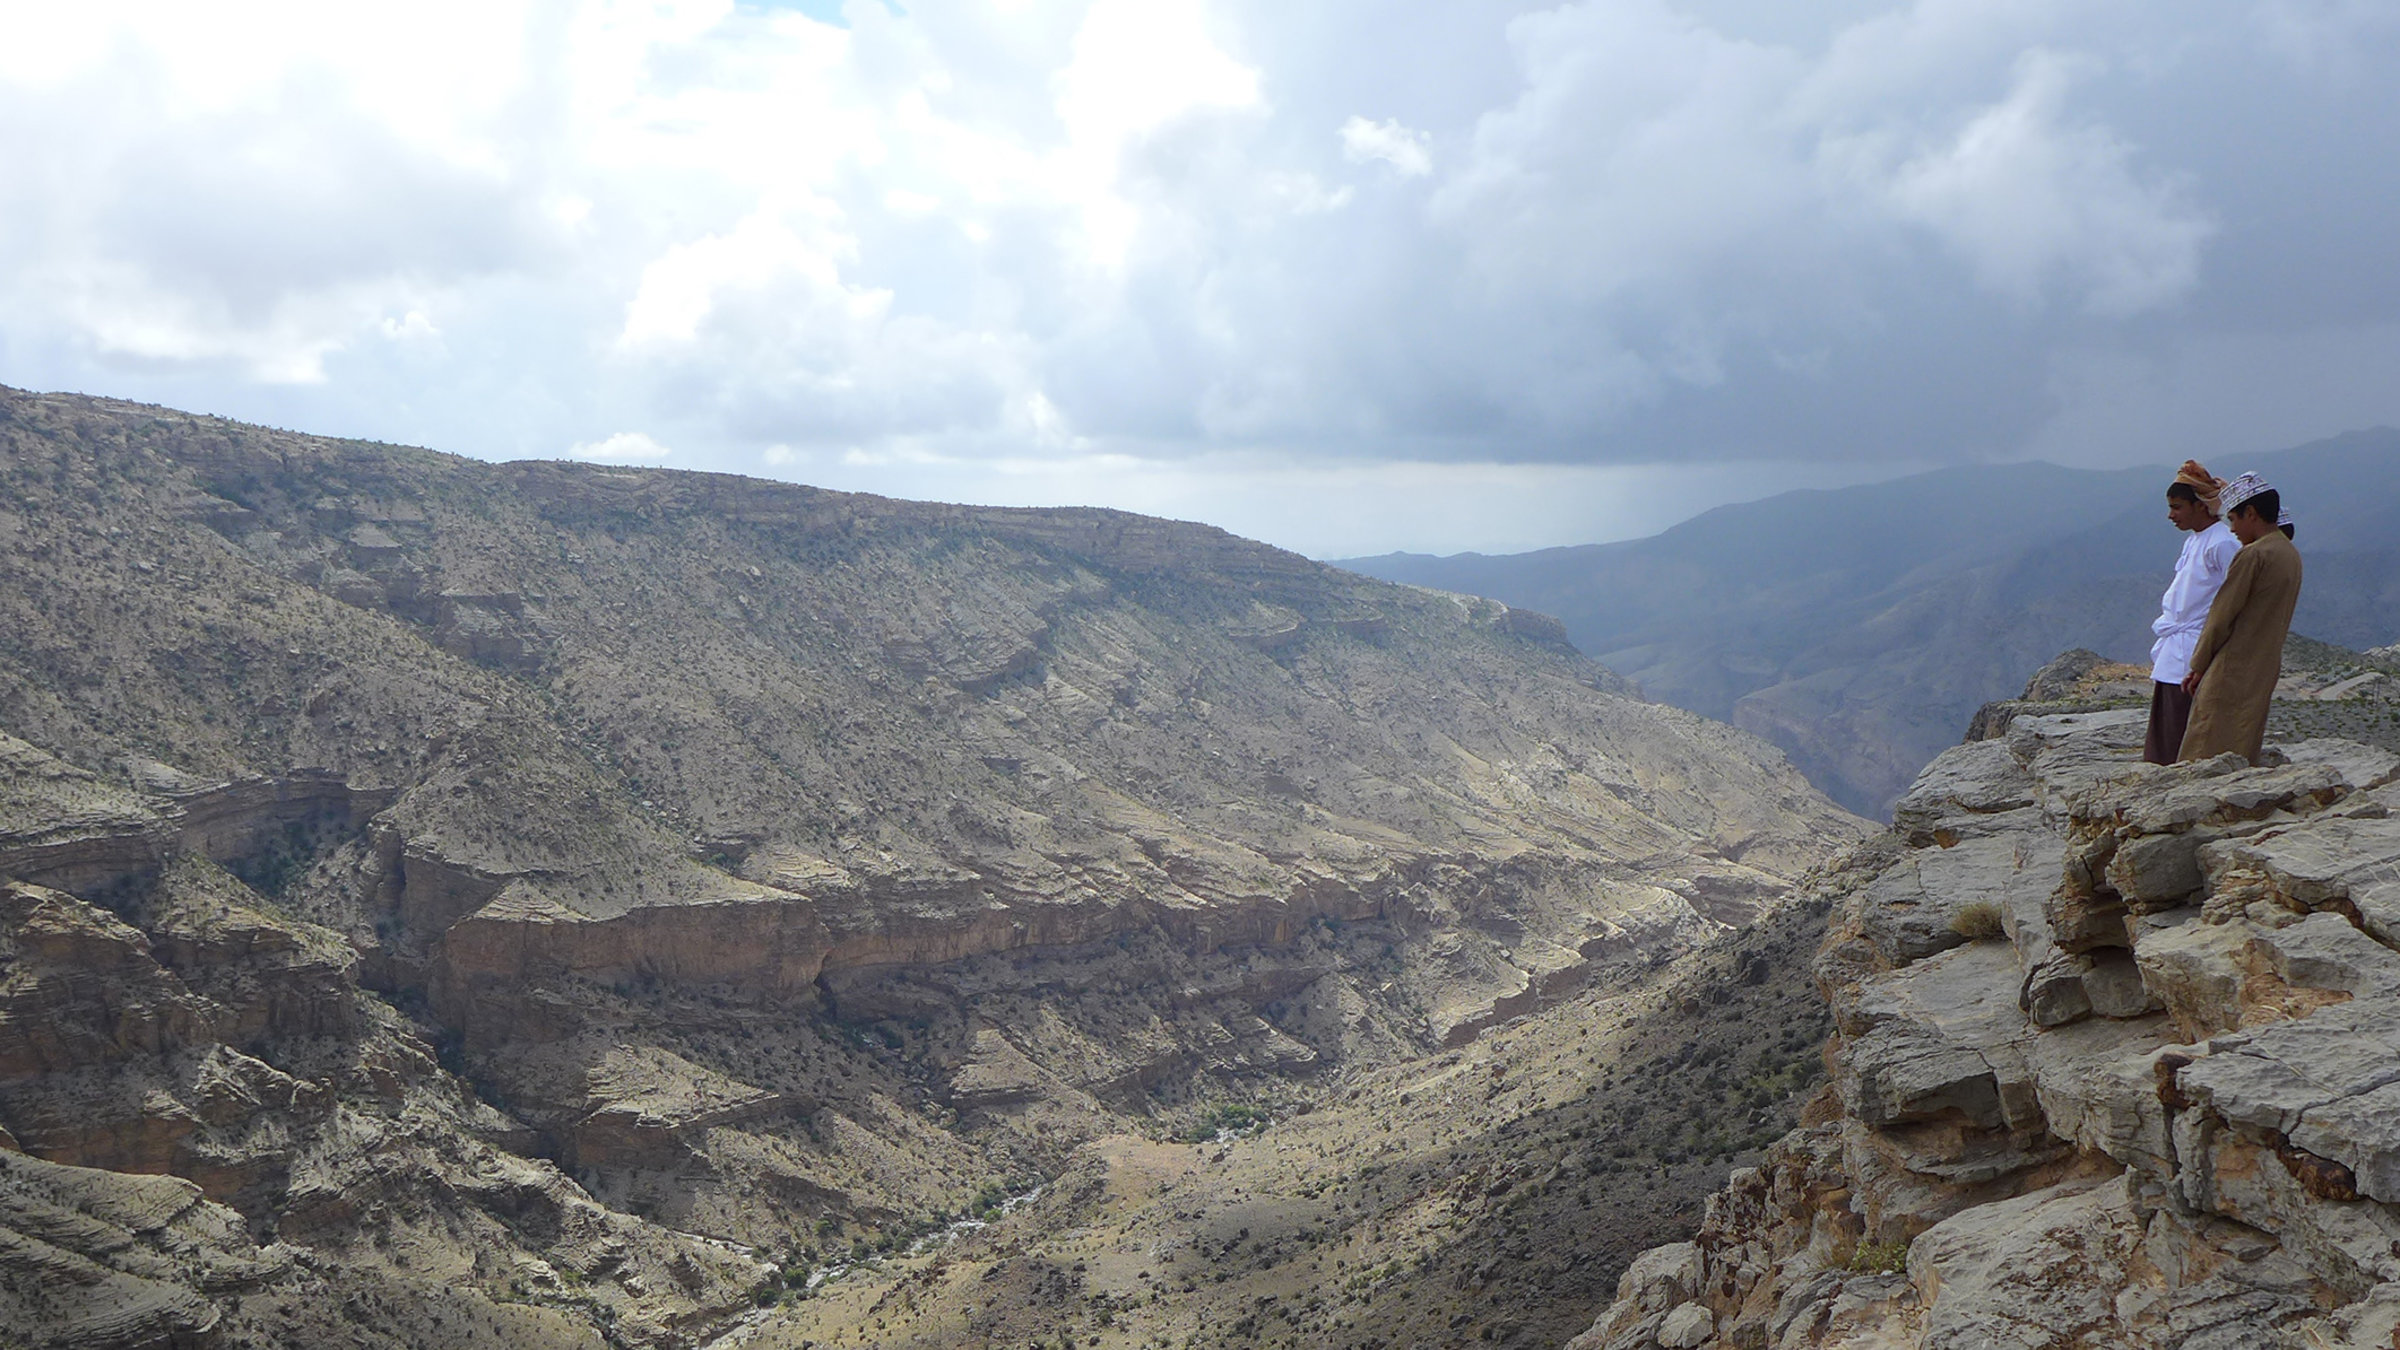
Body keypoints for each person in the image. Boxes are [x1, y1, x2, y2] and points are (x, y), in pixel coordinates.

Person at [2179, 473, 2303, 765]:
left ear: (2251, 513)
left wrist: (2197, 665)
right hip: (2264, 664)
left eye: (2233, 519)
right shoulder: (2289, 553)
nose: (2232, 529)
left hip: (2232, 667)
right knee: (2242, 739)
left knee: (2205, 745)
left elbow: (2221, 615)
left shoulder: (2253, 555)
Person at [2143, 461, 2239, 764]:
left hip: (2195, 645)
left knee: (2180, 726)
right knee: (2167, 722)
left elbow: (2233, 598)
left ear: (2200, 506)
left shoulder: (2223, 543)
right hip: (2179, 644)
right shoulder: (2195, 540)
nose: (2171, 515)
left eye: (2177, 507)